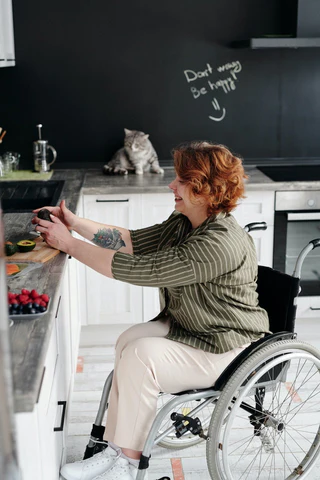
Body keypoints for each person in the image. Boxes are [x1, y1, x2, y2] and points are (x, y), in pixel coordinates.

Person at [32, 141, 269, 480]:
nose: (171, 185)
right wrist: (74, 223)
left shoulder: (218, 243)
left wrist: (68, 244)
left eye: (181, 181)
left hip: (226, 346)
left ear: (205, 189)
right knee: (128, 340)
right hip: (195, 326)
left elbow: (139, 269)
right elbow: (133, 242)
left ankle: (128, 464)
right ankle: (115, 449)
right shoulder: (185, 220)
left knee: (142, 355)